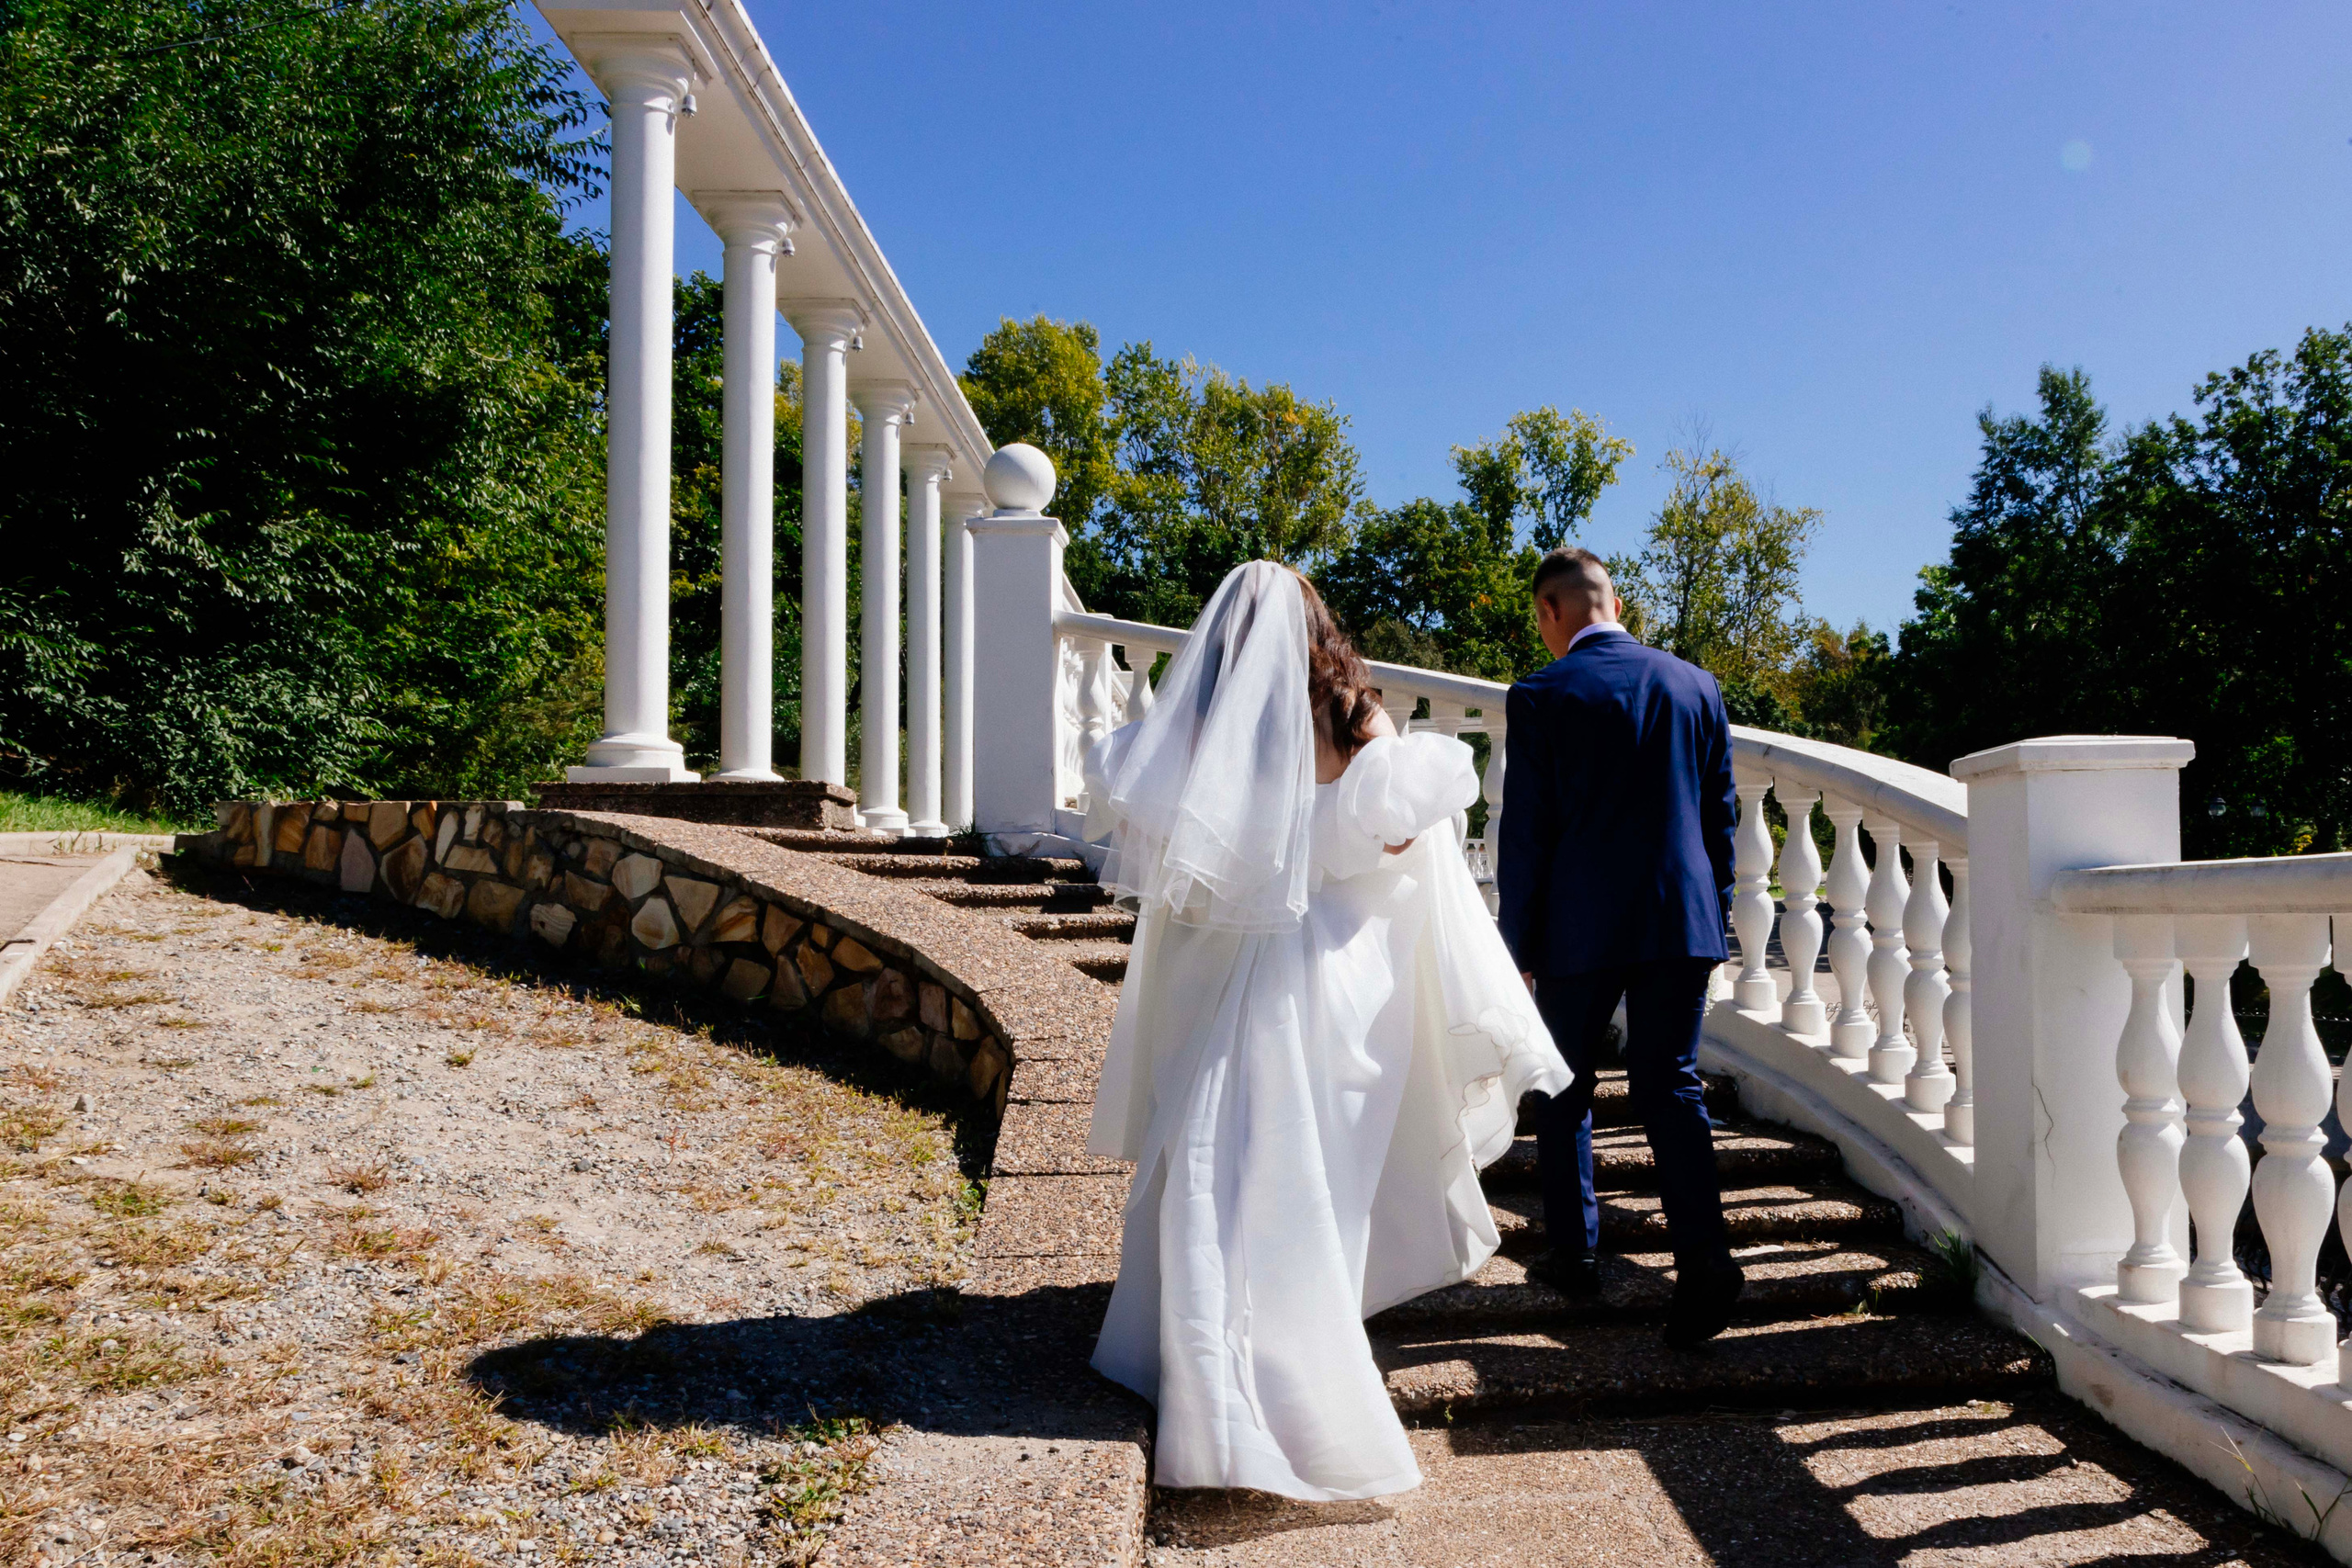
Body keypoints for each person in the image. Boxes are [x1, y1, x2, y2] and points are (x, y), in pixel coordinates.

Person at [1082, 559, 1571, 1501]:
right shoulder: (1353, 717)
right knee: (1295, 1165)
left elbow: (1148, 820)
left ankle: (1191, 1357)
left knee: (1205, 1151)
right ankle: (1278, 1350)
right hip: (1321, 976)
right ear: (1317, 631)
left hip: (1215, 970)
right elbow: (1396, 835)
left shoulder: (1190, 731)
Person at [1496, 546, 1743, 1348]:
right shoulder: (1696, 685)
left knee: (1563, 1085)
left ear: (1552, 611)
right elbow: (1721, 818)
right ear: (1614, 600)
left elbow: (1526, 834)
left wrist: (1516, 943)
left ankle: (1575, 1254)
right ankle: (1705, 1260)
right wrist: (1717, 910)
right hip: (1682, 918)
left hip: (1579, 924)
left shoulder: (1540, 695)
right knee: (1669, 1080)